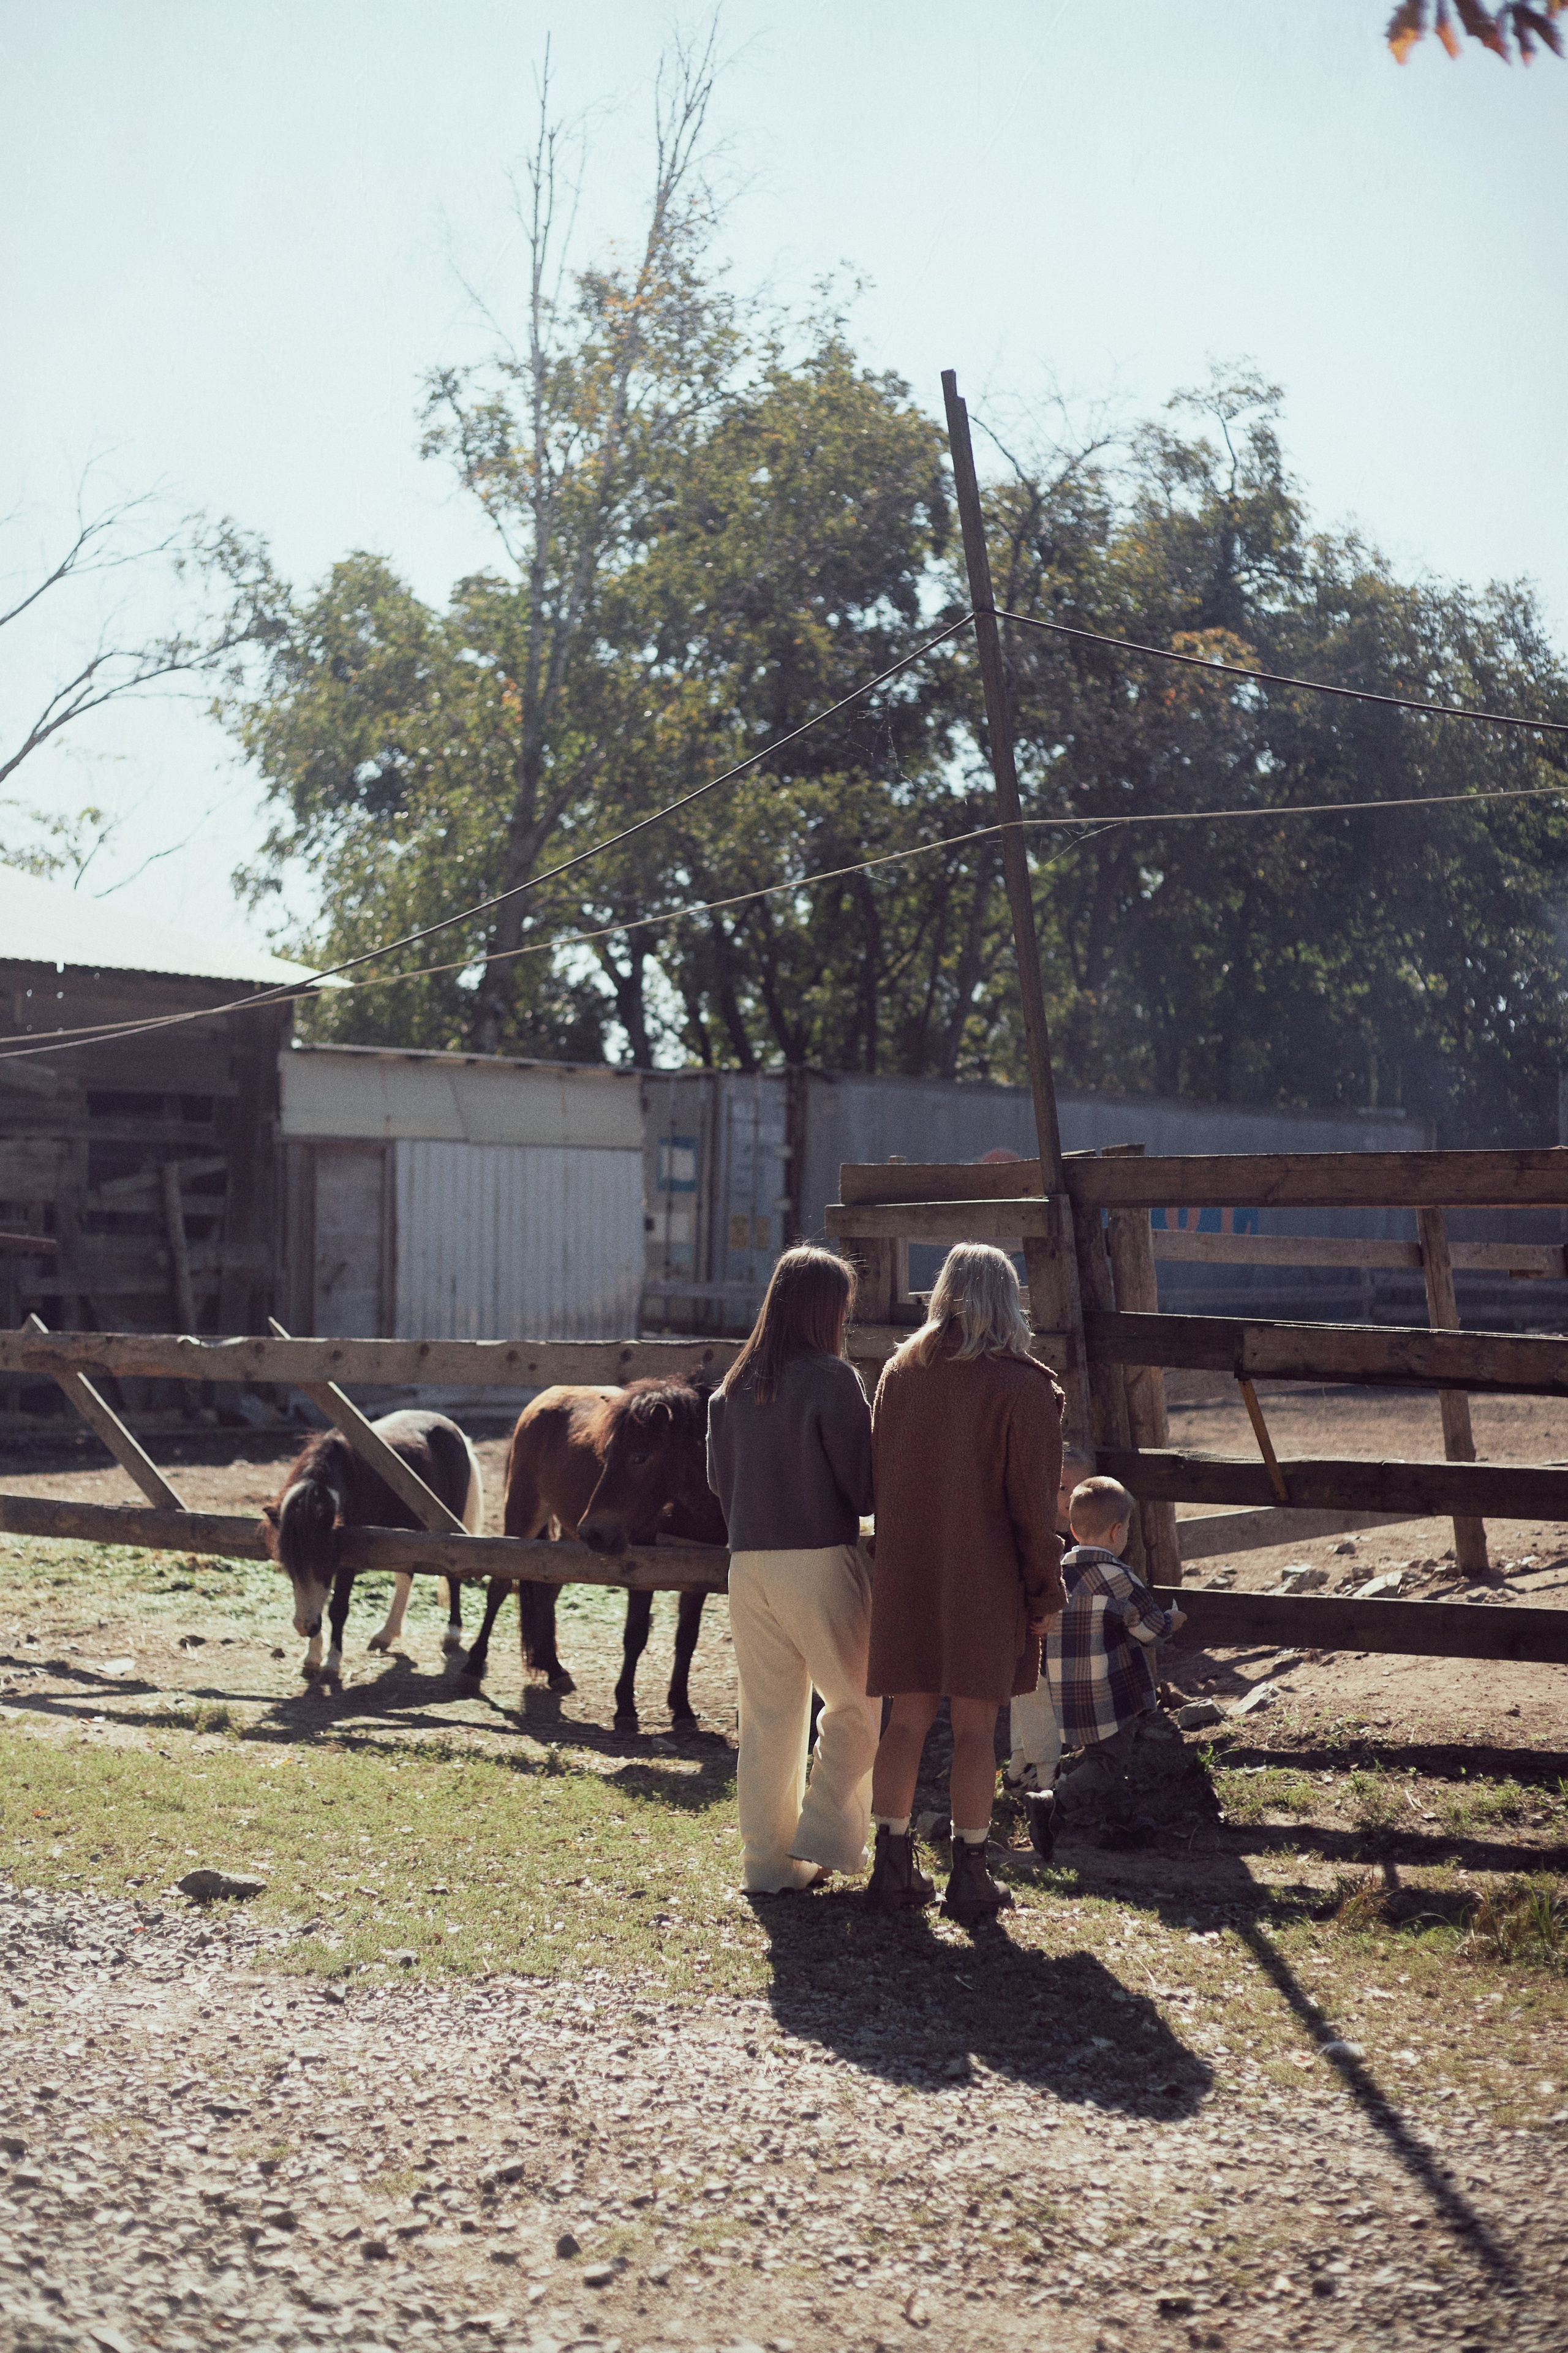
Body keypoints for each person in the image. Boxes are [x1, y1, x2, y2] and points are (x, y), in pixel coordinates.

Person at [862, 1241, 1066, 1924]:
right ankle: (969, 1877)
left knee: (907, 1719)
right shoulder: (1023, 1386)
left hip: (909, 1573)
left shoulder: (899, 1372)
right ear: (1008, 1301)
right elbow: (1033, 1510)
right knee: (977, 1730)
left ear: (943, 1293)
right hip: (985, 1582)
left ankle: (889, 1866)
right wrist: (1044, 1595)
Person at [706, 1245, 880, 1896]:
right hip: (819, 1559)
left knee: (768, 1717)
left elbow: (715, 1484)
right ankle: (826, 1836)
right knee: (860, 1706)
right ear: (825, 1308)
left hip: (747, 1563)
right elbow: (863, 1491)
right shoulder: (831, 1378)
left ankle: (767, 1863)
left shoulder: (728, 1389)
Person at [1029, 1474, 1186, 1846]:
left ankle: (1120, 1821)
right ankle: (1052, 1803)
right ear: (1117, 1532)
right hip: (1111, 1694)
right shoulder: (1120, 1579)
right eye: (1128, 1528)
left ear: (1073, 1528)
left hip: (1067, 1693)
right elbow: (1151, 1631)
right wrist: (1173, 1621)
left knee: (1106, 1758)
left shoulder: (1058, 1575)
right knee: (1108, 1762)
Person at [1006, 1440, 1091, 1794]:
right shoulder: (1039, 1532)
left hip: (1068, 1642)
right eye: (1061, 1488)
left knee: (1038, 1705)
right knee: (1033, 1700)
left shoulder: (1087, 1535)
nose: (1071, 1497)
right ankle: (1044, 1777)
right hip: (1035, 1633)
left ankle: (1017, 1770)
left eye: (1079, 1488)